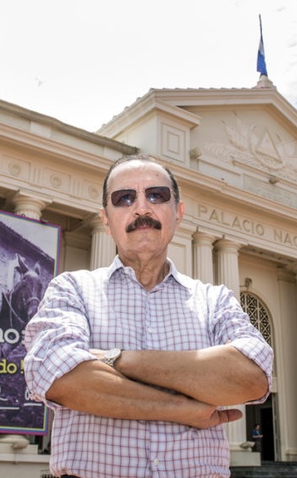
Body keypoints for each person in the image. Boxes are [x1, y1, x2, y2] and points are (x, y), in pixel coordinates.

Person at [23, 154, 274, 478]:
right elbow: (59, 378)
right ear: (106, 218)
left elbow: (251, 378)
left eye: (156, 195)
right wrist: (182, 408)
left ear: (178, 213)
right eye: (124, 198)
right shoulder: (72, 289)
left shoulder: (214, 300)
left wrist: (116, 359)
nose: (141, 208)